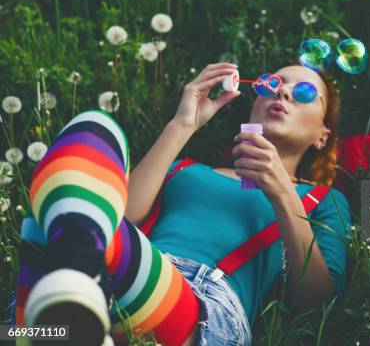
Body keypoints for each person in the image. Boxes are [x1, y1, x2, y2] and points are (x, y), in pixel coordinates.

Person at [10, 62, 352, 346]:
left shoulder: (321, 199)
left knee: (49, 233)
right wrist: (183, 123)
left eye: (305, 92)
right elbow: (115, 216)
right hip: (131, 266)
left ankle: (58, 309)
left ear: (323, 135)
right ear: (252, 104)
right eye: (270, 84)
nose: (282, 91)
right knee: (94, 126)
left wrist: (282, 193)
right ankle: (72, 306)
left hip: (199, 308)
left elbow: (317, 303)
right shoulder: (185, 170)